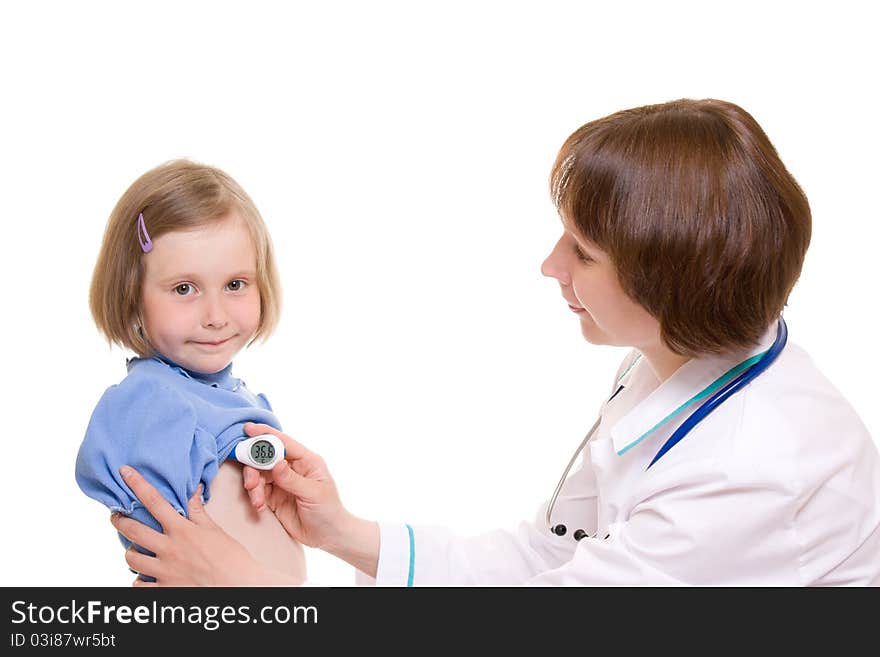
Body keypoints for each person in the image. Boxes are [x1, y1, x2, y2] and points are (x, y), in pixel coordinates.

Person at [111, 99, 880, 586]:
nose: (550, 265)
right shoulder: (675, 362)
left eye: (581, 251)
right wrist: (345, 535)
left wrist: (255, 599)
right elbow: (557, 553)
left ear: (667, 281)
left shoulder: (755, 468)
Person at [76, 159, 305, 584]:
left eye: (235, 284)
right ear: (132, 298)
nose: (215, 316)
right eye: (184, 289)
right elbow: (162, 542)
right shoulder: (152, 401)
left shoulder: (228, 395)